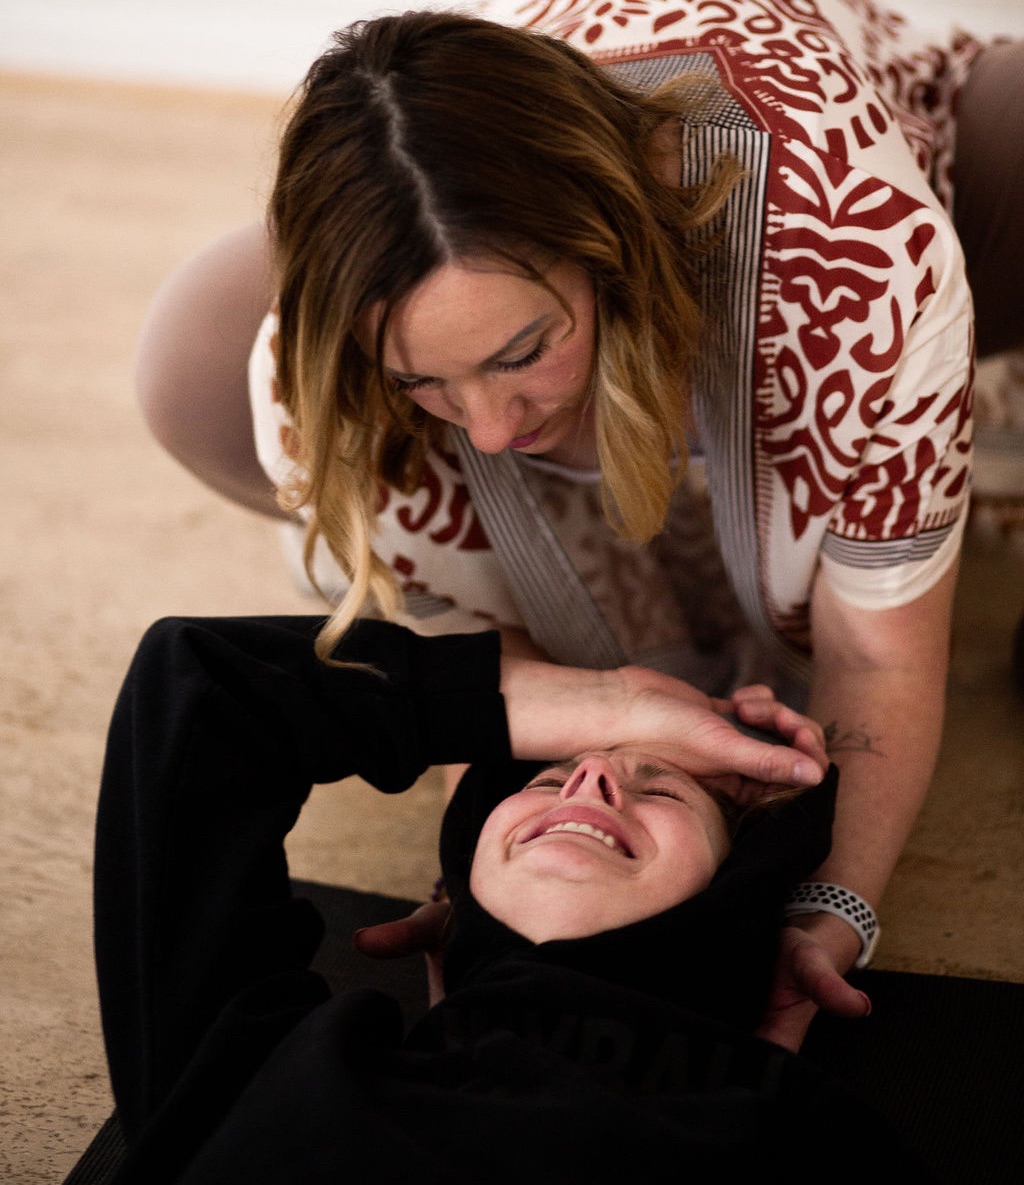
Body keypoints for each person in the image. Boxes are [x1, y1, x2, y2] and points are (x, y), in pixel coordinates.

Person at [132, 3, 1024, 1045]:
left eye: (520, 354)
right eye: (422, 379)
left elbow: (874, 656)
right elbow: (477, 657)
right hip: (461, 213)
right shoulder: (329, 365)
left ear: (615, 258)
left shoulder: (847, 252)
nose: (487, 429)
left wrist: (835, 903)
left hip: (932, 154)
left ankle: (962, 405)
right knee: (189, 360)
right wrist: (476, 868)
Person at [93, 615, 931, 1184]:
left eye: (663, 791)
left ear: (735, 895)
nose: (590, 775)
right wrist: (605, 700)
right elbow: (200, 681)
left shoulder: (800, 1132)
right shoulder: (265, 1066)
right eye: (545, 778)